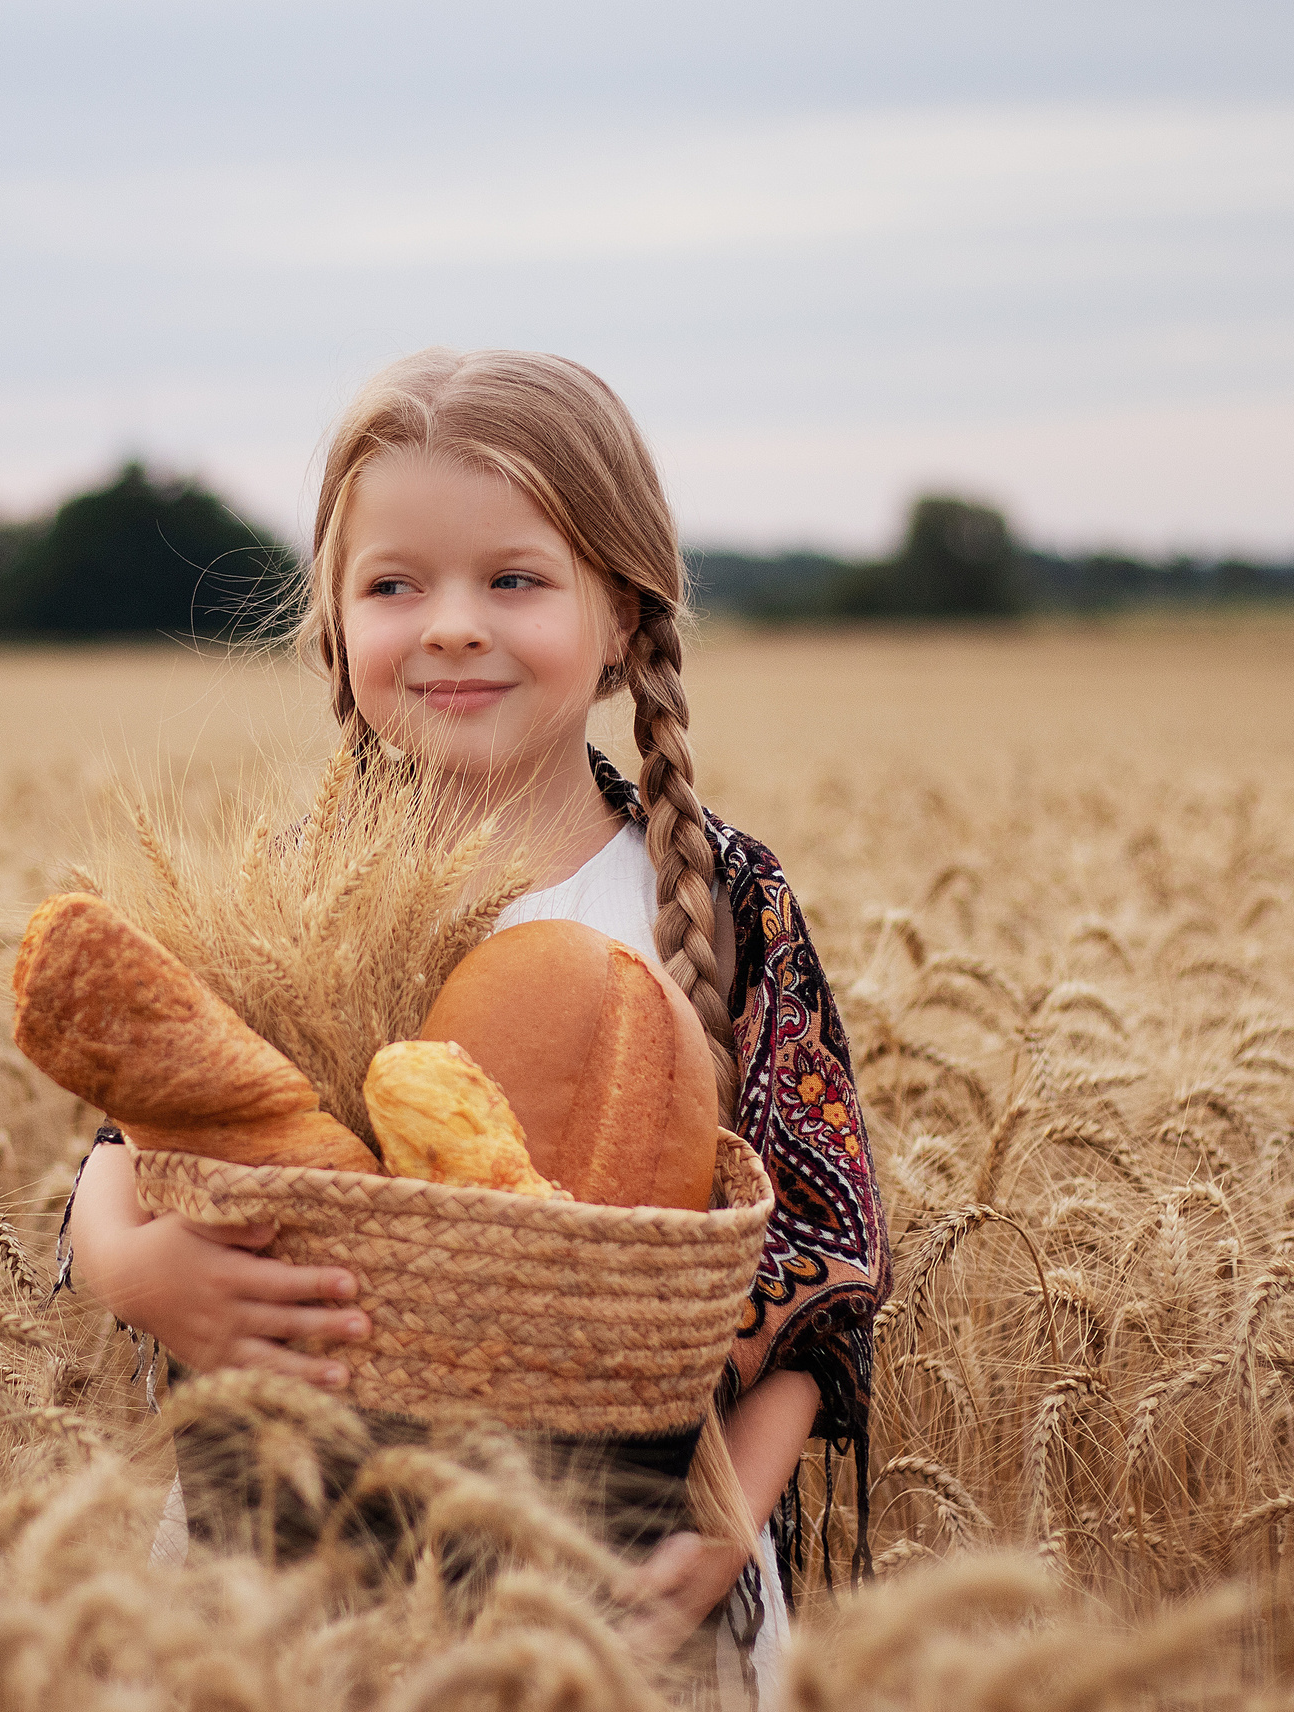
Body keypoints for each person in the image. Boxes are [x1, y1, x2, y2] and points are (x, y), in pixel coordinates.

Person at [54, 348, 891, 1701]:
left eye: (514, 580)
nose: (450, 625)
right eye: (395, 585)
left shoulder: (720, 896)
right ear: (332, 623)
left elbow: (822, 1242)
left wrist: (732, 1512)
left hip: (619, 1573)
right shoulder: (291, 896)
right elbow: (139, 1126)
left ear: (621, 612)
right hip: (298, 1564)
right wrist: (137, 1275)